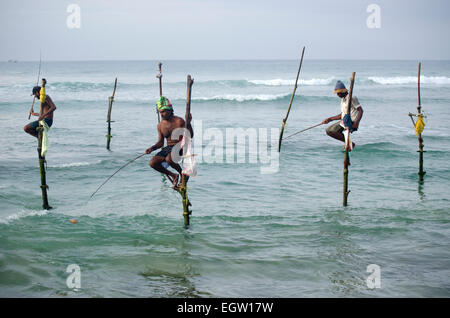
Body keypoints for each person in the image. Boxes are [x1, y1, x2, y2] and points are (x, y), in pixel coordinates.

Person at [145, 96, 193, 187]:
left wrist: (189, 123)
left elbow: (190, 135)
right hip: (169, 148)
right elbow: (160, 143)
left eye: (164, 112)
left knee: (169, 159)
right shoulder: (160, 125)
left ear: (170, 111)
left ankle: (183, 175)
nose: (162, 114)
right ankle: (174, 175)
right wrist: (152, 148)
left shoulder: (179, 121)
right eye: (160, 112)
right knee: (153, 163)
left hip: (181, 146)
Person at [322, 80, 363, 151]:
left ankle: (349, 143)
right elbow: (342, 114)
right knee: (329, 131)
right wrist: (330, 119)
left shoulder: (352, 98)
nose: (337, 95)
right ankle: (349, 143)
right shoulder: (343, 100)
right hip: (344, 121)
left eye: (338, 93)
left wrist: (356, 122)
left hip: (351, 122)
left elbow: (360, 110)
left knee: (331, 131)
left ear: (343, 91)